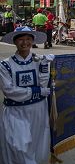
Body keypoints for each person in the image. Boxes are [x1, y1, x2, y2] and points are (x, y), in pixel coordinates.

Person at [0, 26, 54, 164]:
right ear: (15, 42)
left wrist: (44, 67)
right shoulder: (5, 65)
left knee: (39, 145)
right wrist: (36, 91)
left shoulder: (40, 60)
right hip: (15, 112)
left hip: (38, 110)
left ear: (33, 41)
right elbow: (9, 90)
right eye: (21, 40)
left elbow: (44, 85)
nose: (25, 43)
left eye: (28, 39)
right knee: (18, 146)